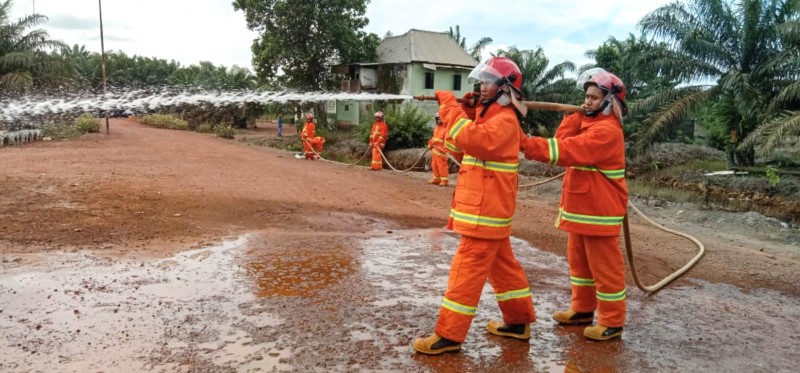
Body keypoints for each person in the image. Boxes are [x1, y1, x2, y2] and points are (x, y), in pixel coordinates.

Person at [412, 56, 537, 355]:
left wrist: (450, 106)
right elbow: (459, 144)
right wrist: (468, 110)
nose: (481, 86)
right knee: (504, 268)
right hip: (487, 212)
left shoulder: (505, 121)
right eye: (482, 81)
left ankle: (449, 335)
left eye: (488, 81)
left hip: (486, 215)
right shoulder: (490, 118)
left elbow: (470, 138)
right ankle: (519, 323)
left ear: (504, 88)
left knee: (464, 271)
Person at [520, 67, 629, 341]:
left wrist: (522, 142)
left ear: (608, 102)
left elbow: (563, 151)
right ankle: (582, 310)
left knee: (605, 271)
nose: (587, 101)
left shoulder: (606, 132)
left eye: (594, 97)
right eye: (586, 97)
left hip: (599, 213)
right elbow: (562, 141)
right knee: (580, 266)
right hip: (581, 210)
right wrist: (574, 116)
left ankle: (612, 321)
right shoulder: (588, 124)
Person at [426, 113, 449, 186]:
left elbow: (447, 141)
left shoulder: (446, 129)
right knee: (434, 165)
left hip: (441, 152)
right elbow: (434, 138)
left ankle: (444, 181)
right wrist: (430, 144)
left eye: (441, 119)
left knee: (442, 166)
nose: (439, 120)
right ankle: (437, 179)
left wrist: (444, 149)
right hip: (435, 151)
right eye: (438, 119)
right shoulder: (436, 128)